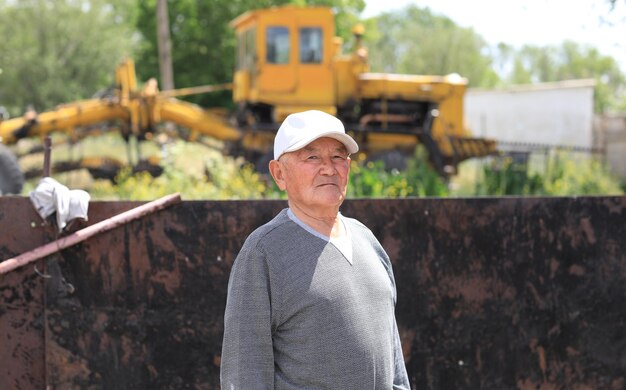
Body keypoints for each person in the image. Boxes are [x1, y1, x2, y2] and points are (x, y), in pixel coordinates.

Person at [220, 110, 410, 389]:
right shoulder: (263, 254)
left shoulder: (367, 241)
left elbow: (394, 366)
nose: (329, 168)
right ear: (279, 174)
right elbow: (244, 375)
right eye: (312, 157)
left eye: (338, 156)